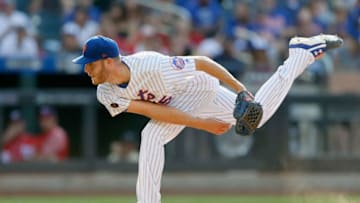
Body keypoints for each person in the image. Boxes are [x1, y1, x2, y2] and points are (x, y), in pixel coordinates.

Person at [72, 34, 342, 203]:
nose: (85, 68)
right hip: (179, 102)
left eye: (90, 63)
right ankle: (300, 54)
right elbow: (155, 112)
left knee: (151, 135)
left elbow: (201, 62)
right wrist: (202, 123)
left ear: (109, 61)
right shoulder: (106, 92)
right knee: (257, 117)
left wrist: (240, 90)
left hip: (199, 86)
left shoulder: (151, 65)